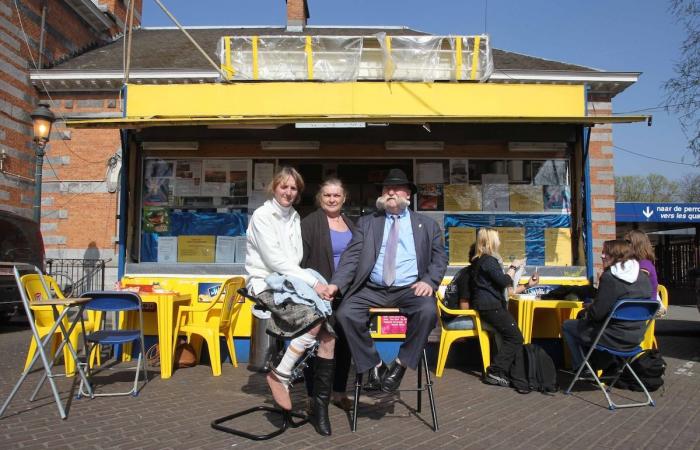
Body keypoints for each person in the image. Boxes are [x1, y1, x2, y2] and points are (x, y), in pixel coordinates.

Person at [326, 168, 448, 392]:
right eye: (387, 188)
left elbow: (440, 258)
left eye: (397, 188)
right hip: (372, 287)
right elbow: (351, 257)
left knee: (428, 312)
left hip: (409, 288)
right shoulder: (368, 223)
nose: (391, 192)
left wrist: (429, 282)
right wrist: (336, 284)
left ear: (408, 195)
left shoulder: (428, 225)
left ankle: (400, 365)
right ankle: (374, 363)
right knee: (345, 313)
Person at [245, 166, 336, 436]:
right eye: (283, 186)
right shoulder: (262, 216)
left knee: (328, 333)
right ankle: (280, 374)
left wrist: (315, 284)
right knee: (315, 319)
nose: (288, 192)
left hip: (288, 281)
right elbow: (274, 261)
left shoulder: (294, 216)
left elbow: (294, 259)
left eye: (293, 188)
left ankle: (318, 407)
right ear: (274, 187)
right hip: (265, 284)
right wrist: (312, 283)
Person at [301, 178, 356, 411]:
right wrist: (312, 286)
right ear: (319, 198)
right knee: (315, 343)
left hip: (347, 292)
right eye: (327, 195)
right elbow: (300, 261)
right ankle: (313, 396)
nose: (332, 199)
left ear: (344, 198)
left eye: (336, 195)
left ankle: (339, 392)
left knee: (344, 343)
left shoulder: (352, 223)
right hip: (319, 292)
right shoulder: (310, 223)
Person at [561, 239, 652, 370]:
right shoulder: (643, 276)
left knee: (568, 325)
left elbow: (597, 315)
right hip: (636, 338)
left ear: (618, 255)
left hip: (612, 337)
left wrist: (590, 307)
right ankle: (607, 366)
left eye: (606, 253)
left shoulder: (610, 277)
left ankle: (582, 368)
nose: (602, 256)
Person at [469, 227, 537, 388]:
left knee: (508, 335)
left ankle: (506, 371)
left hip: (488, 305)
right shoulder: (488, 261)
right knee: (515, 337)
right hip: (491, 306)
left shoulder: (480, 260)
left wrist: (527, 284)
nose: (500, 241)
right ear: (491, 241)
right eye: (497, 238)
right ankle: (495, 371)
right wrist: (513, 267)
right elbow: (504, 281)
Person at [624, 230, 659, 300]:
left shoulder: (644, 264)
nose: (624, 245)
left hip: (644, 305)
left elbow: (637, 286)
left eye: (628, 242)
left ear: (637, 244)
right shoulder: (635, 262)